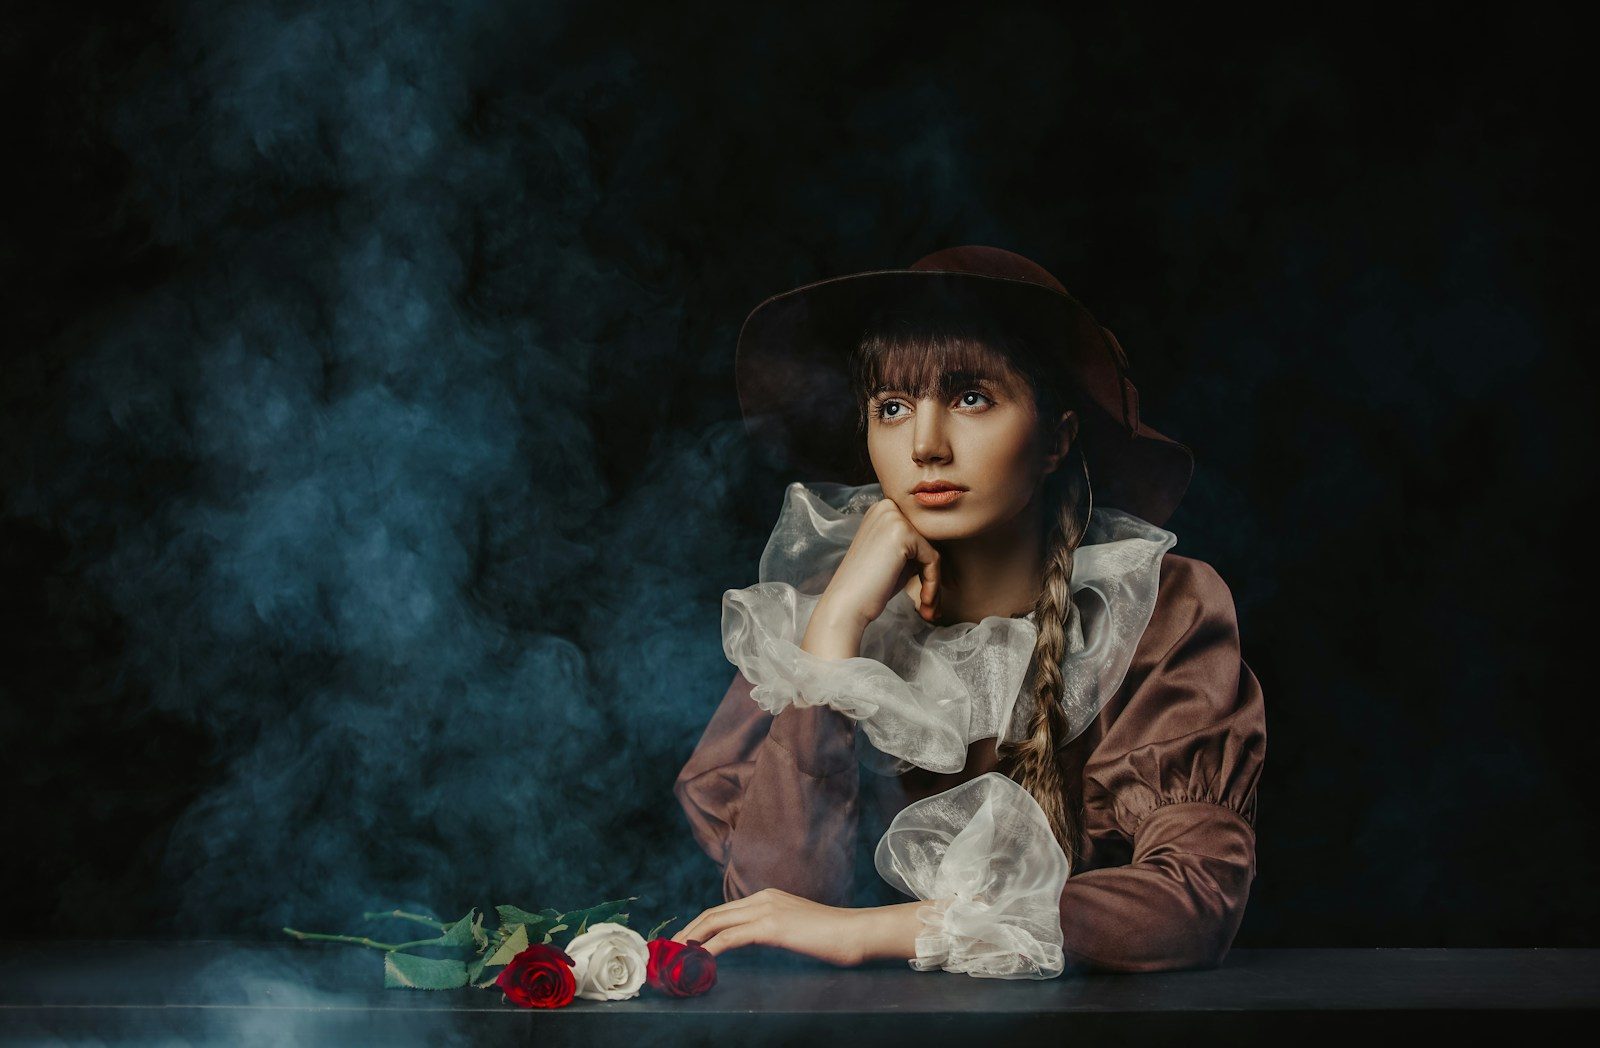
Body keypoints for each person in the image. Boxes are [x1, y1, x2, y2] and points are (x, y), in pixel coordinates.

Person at [670, 246, 1266, 977]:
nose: (925, 445)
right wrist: (831, 642)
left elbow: (1192, 904)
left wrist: (885, 931)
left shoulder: (1156, 607)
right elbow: (778, 907)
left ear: (1056, 438)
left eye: (970, 398)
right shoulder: (826, 614)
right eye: (891, 408)